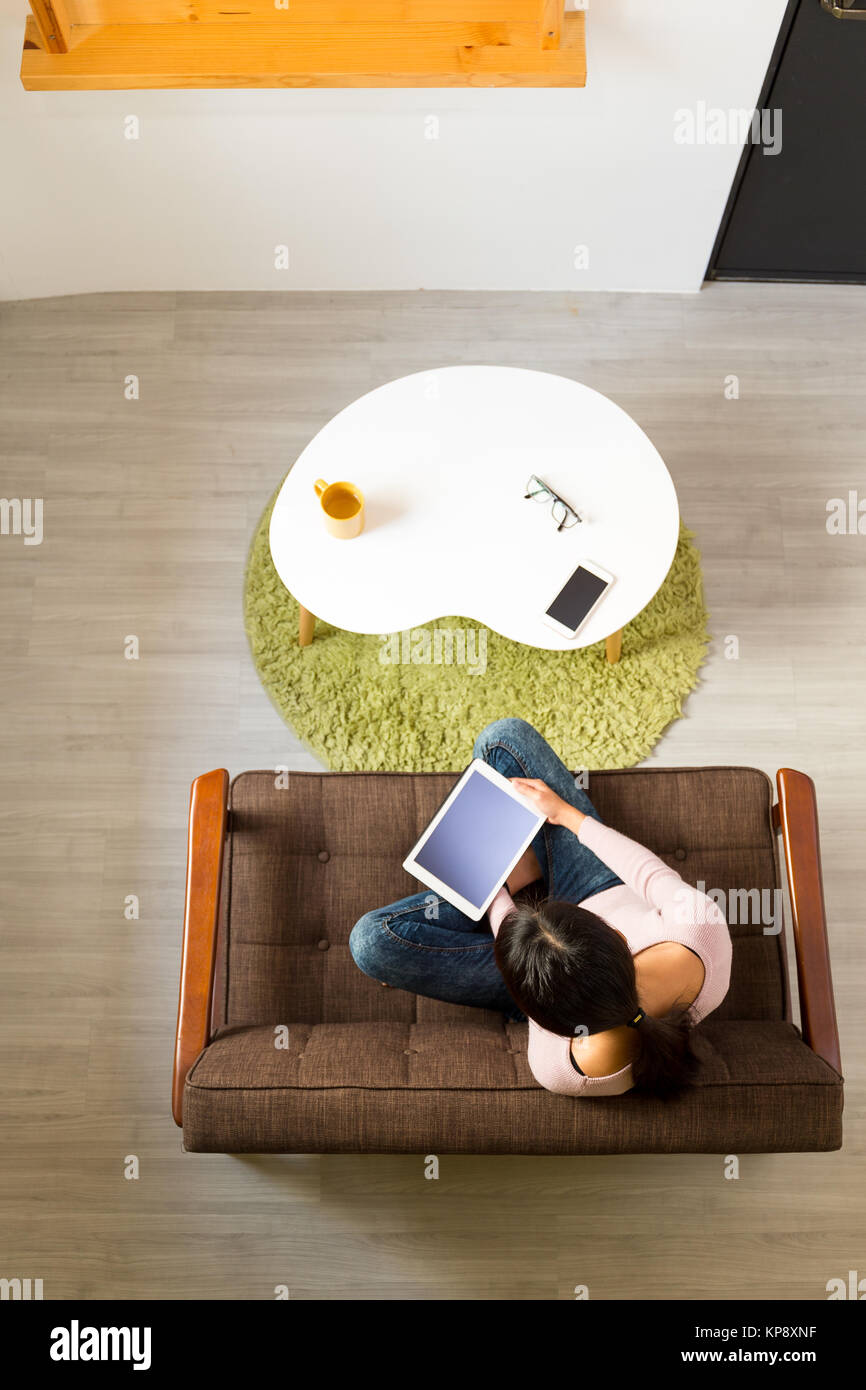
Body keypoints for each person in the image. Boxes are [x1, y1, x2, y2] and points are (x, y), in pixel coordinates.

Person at [349, 718, 732, 1098]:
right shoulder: (700, 929)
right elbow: (647, 874)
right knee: (503, 739)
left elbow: (531, 976)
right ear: (615, 935)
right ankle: (531, 871)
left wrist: (495, 886)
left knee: (371, 942)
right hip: (599, 887)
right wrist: (568, 816)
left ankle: (525, 872)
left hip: (527, 977)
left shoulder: (563, 1070)